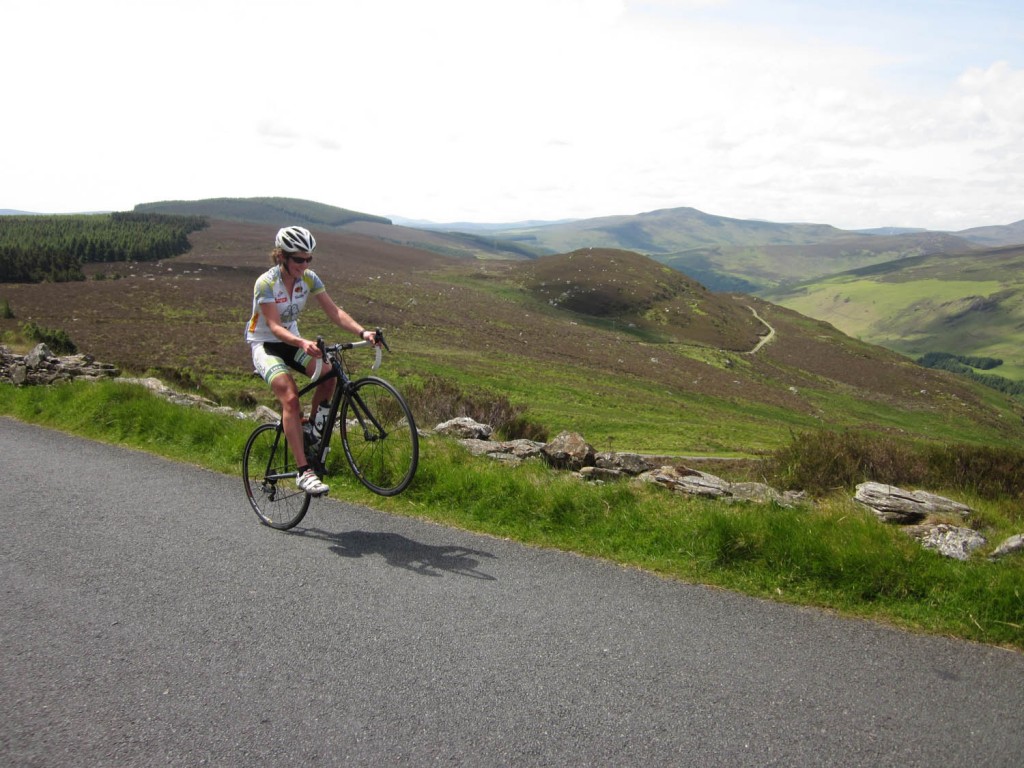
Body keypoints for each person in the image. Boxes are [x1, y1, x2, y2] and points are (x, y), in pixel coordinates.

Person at [245, 225, 378, 496]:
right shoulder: (266, 283)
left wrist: (363, 331)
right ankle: (304, 472)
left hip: (292, 342)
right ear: (281, 256)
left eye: (309, 259)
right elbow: (273, 327)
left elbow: (335, 312)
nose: (304, 265)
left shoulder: (309, 279)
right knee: (290, 397)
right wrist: (302, 342)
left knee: (329, 373)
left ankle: (313, 435)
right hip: (266, 345)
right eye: (298, 259)